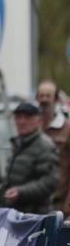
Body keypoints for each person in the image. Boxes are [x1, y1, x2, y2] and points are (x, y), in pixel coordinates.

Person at [3, 101, 60, 214]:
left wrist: (21, 192)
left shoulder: (44, 146)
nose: (22, 122)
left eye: (27, 118)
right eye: (18, 117)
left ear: (38, 121)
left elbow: (50, 182)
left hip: (35, 216)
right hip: (16, 212)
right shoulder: (18, 143)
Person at [36, 80, 70, 209]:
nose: (44, 100)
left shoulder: (67, 129)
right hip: (34, 203)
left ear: (56, 100)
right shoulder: (32, 127)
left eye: (48, 96)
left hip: (57, 203)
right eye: (41, 96)